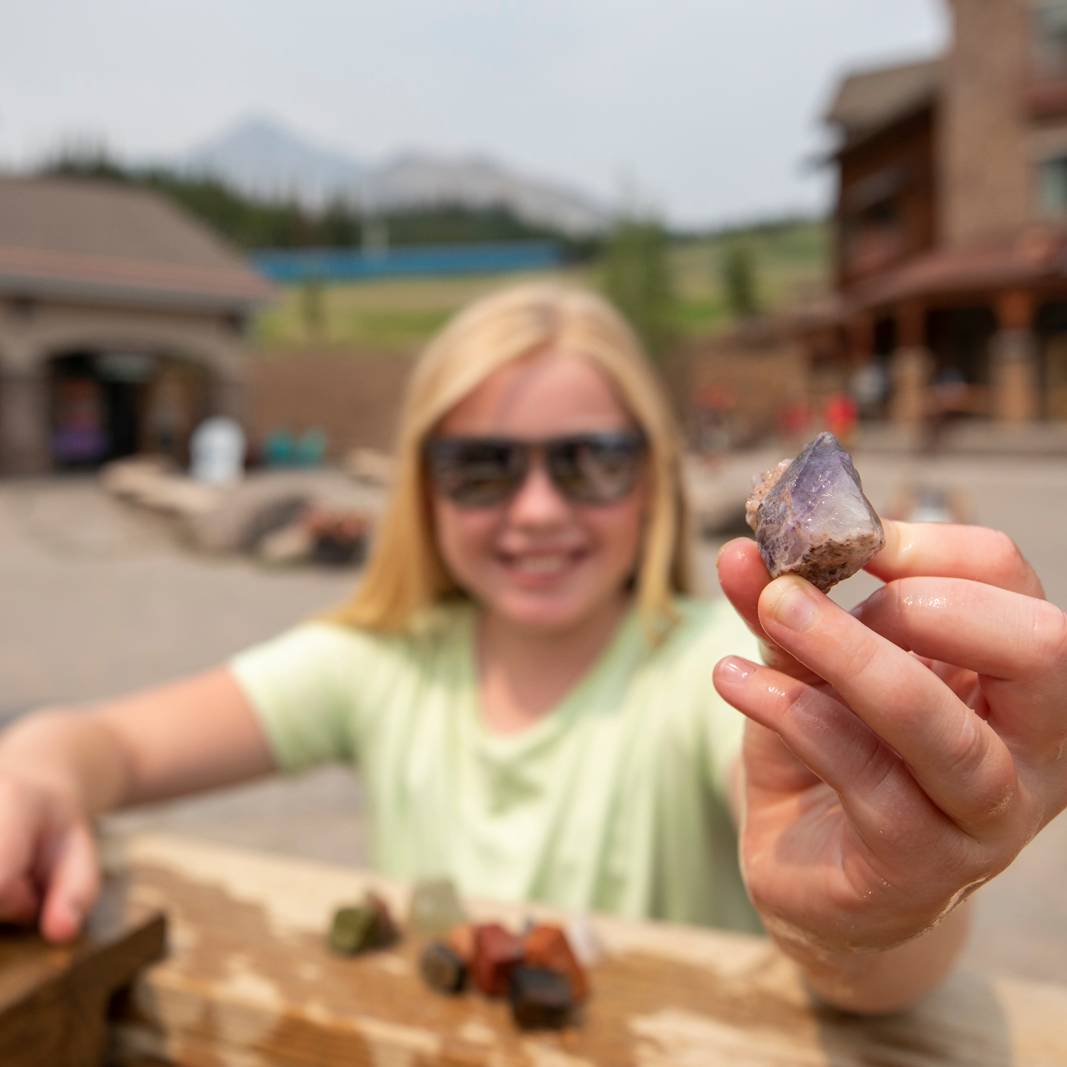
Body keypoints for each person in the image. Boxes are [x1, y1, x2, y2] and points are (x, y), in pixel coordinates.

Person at [1, 284, 1065, 1016]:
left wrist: (876, 914)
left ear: (651, 479)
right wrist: (36, 769)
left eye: (590, 462)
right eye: (480, 467)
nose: (537, 509)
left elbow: (876, 967)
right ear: (420, 488)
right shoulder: (379, 663)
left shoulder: (723, 673)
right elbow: (107, 745)